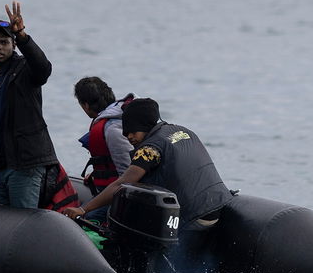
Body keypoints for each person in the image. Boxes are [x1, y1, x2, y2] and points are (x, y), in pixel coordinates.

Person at [62, 98, 234, 230]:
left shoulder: (150, 148)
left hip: (192, 218)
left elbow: (123, 184)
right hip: (219, 207)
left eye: (132, 132)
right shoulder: (183, 131)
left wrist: (83, 210)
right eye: (126, 133)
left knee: (107, 215)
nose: (129, 137)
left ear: (144, 126)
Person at [0, 2, 58, 209]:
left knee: (23, 224)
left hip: (25, 164)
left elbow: (43, 68)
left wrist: (22, 36)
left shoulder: (25, 71)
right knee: (4, 227)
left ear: (13, 45)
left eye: (4, 42)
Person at [73, 77, 136, 201]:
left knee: (85, 218)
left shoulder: (112, 128)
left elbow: (129, 174)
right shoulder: (116, 118)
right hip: (113, 188)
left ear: (85, 105)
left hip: (122, 197)